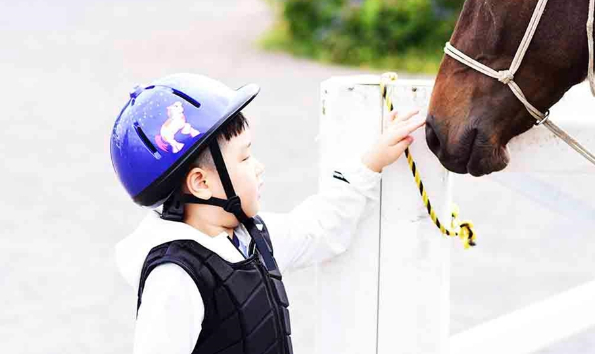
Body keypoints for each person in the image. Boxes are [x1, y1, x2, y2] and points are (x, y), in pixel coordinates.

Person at [112, 73, 425, 354]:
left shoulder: (252, 238)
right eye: (245, 157)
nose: (259, 167)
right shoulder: (175, 277)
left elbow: (321, 226)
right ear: (201, 183)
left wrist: (371, 162)